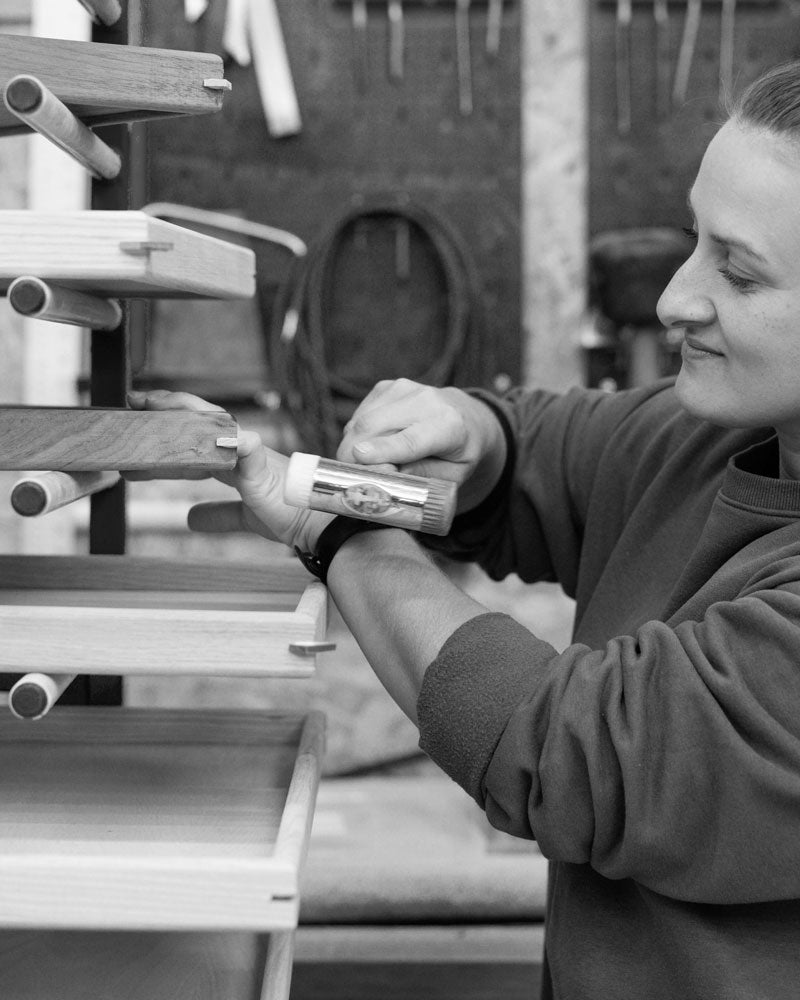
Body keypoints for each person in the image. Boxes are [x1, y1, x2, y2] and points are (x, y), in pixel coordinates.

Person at [128, 61, 800, 999]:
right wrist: (471, 431)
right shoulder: (725, 433)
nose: (674, 299)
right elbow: (551, 448)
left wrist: (340, 534)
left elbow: (567, 755)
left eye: (737, 271)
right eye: (695, 241)